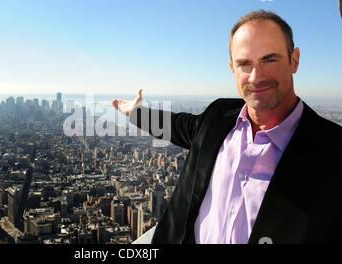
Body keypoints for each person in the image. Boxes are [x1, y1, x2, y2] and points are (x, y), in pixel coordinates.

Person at [112, 10, 342, 244]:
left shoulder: (333, 149)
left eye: (269, 59)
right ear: (232, 68)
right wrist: (136, 113)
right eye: (244, 64)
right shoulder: (218, 116)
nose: (255, 77)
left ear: (294, 60)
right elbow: (179, 126)